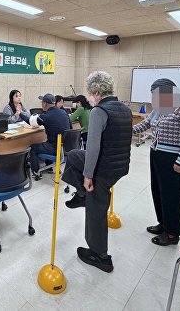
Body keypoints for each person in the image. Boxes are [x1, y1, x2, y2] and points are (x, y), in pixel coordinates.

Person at [62, 71, 132, 273]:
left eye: (90, 93)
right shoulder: (125, 109)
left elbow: (93, 148)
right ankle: (81, 195)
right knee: (74, 155)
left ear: (97, 92)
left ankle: (100, 255)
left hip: (103, 168)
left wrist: (87, 176)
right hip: (119, 166)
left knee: (96, 210)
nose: (89, 97)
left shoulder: (99, 111)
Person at [132, 79, 180, 246]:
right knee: (158, 192)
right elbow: (145, 125)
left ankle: (172, 234)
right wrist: (125, 130)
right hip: (157, 156)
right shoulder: (159, 110)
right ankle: (163, 224)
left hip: (174, 160)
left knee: (173, 197)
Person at [18, 93, 70, 174]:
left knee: (33, 148)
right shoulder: (64, 112)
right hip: (66, 147)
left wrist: (20, 114)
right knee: (48, 142)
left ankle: (36, 172)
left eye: (42, 102)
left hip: (55, 148)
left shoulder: (46, 116)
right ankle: (49, 167)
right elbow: (71, 129)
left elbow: (30, 122)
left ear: (45, 103)